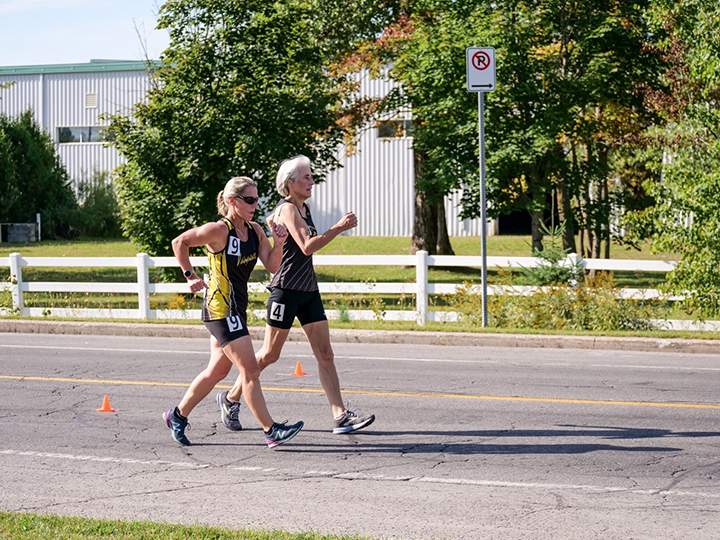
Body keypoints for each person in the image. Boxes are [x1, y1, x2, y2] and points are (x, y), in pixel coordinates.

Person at [217, 155, 375, 435]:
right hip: (286, 290)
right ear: (290, 183)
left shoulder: (304, 208)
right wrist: (339, 227)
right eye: (306, 177)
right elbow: (306, 246)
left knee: (325, 353)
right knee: (268, 355)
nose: (311, 181)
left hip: (308, 290)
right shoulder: (288, 208)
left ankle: (340, 416)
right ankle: (231, 398)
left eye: (311, 176)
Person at [164, 176, 304, 448]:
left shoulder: (255, 231)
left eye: (256, 199)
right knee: (250, 370)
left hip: (237, 308)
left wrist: (279, 241)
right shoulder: (219, 230)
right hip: (220, 308)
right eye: (249, 200)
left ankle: (177, 416)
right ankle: (271, 430)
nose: (255, 204)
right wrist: (189, 275)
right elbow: (179, 242)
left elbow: (273, 266)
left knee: (217, 371)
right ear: (232, 201)